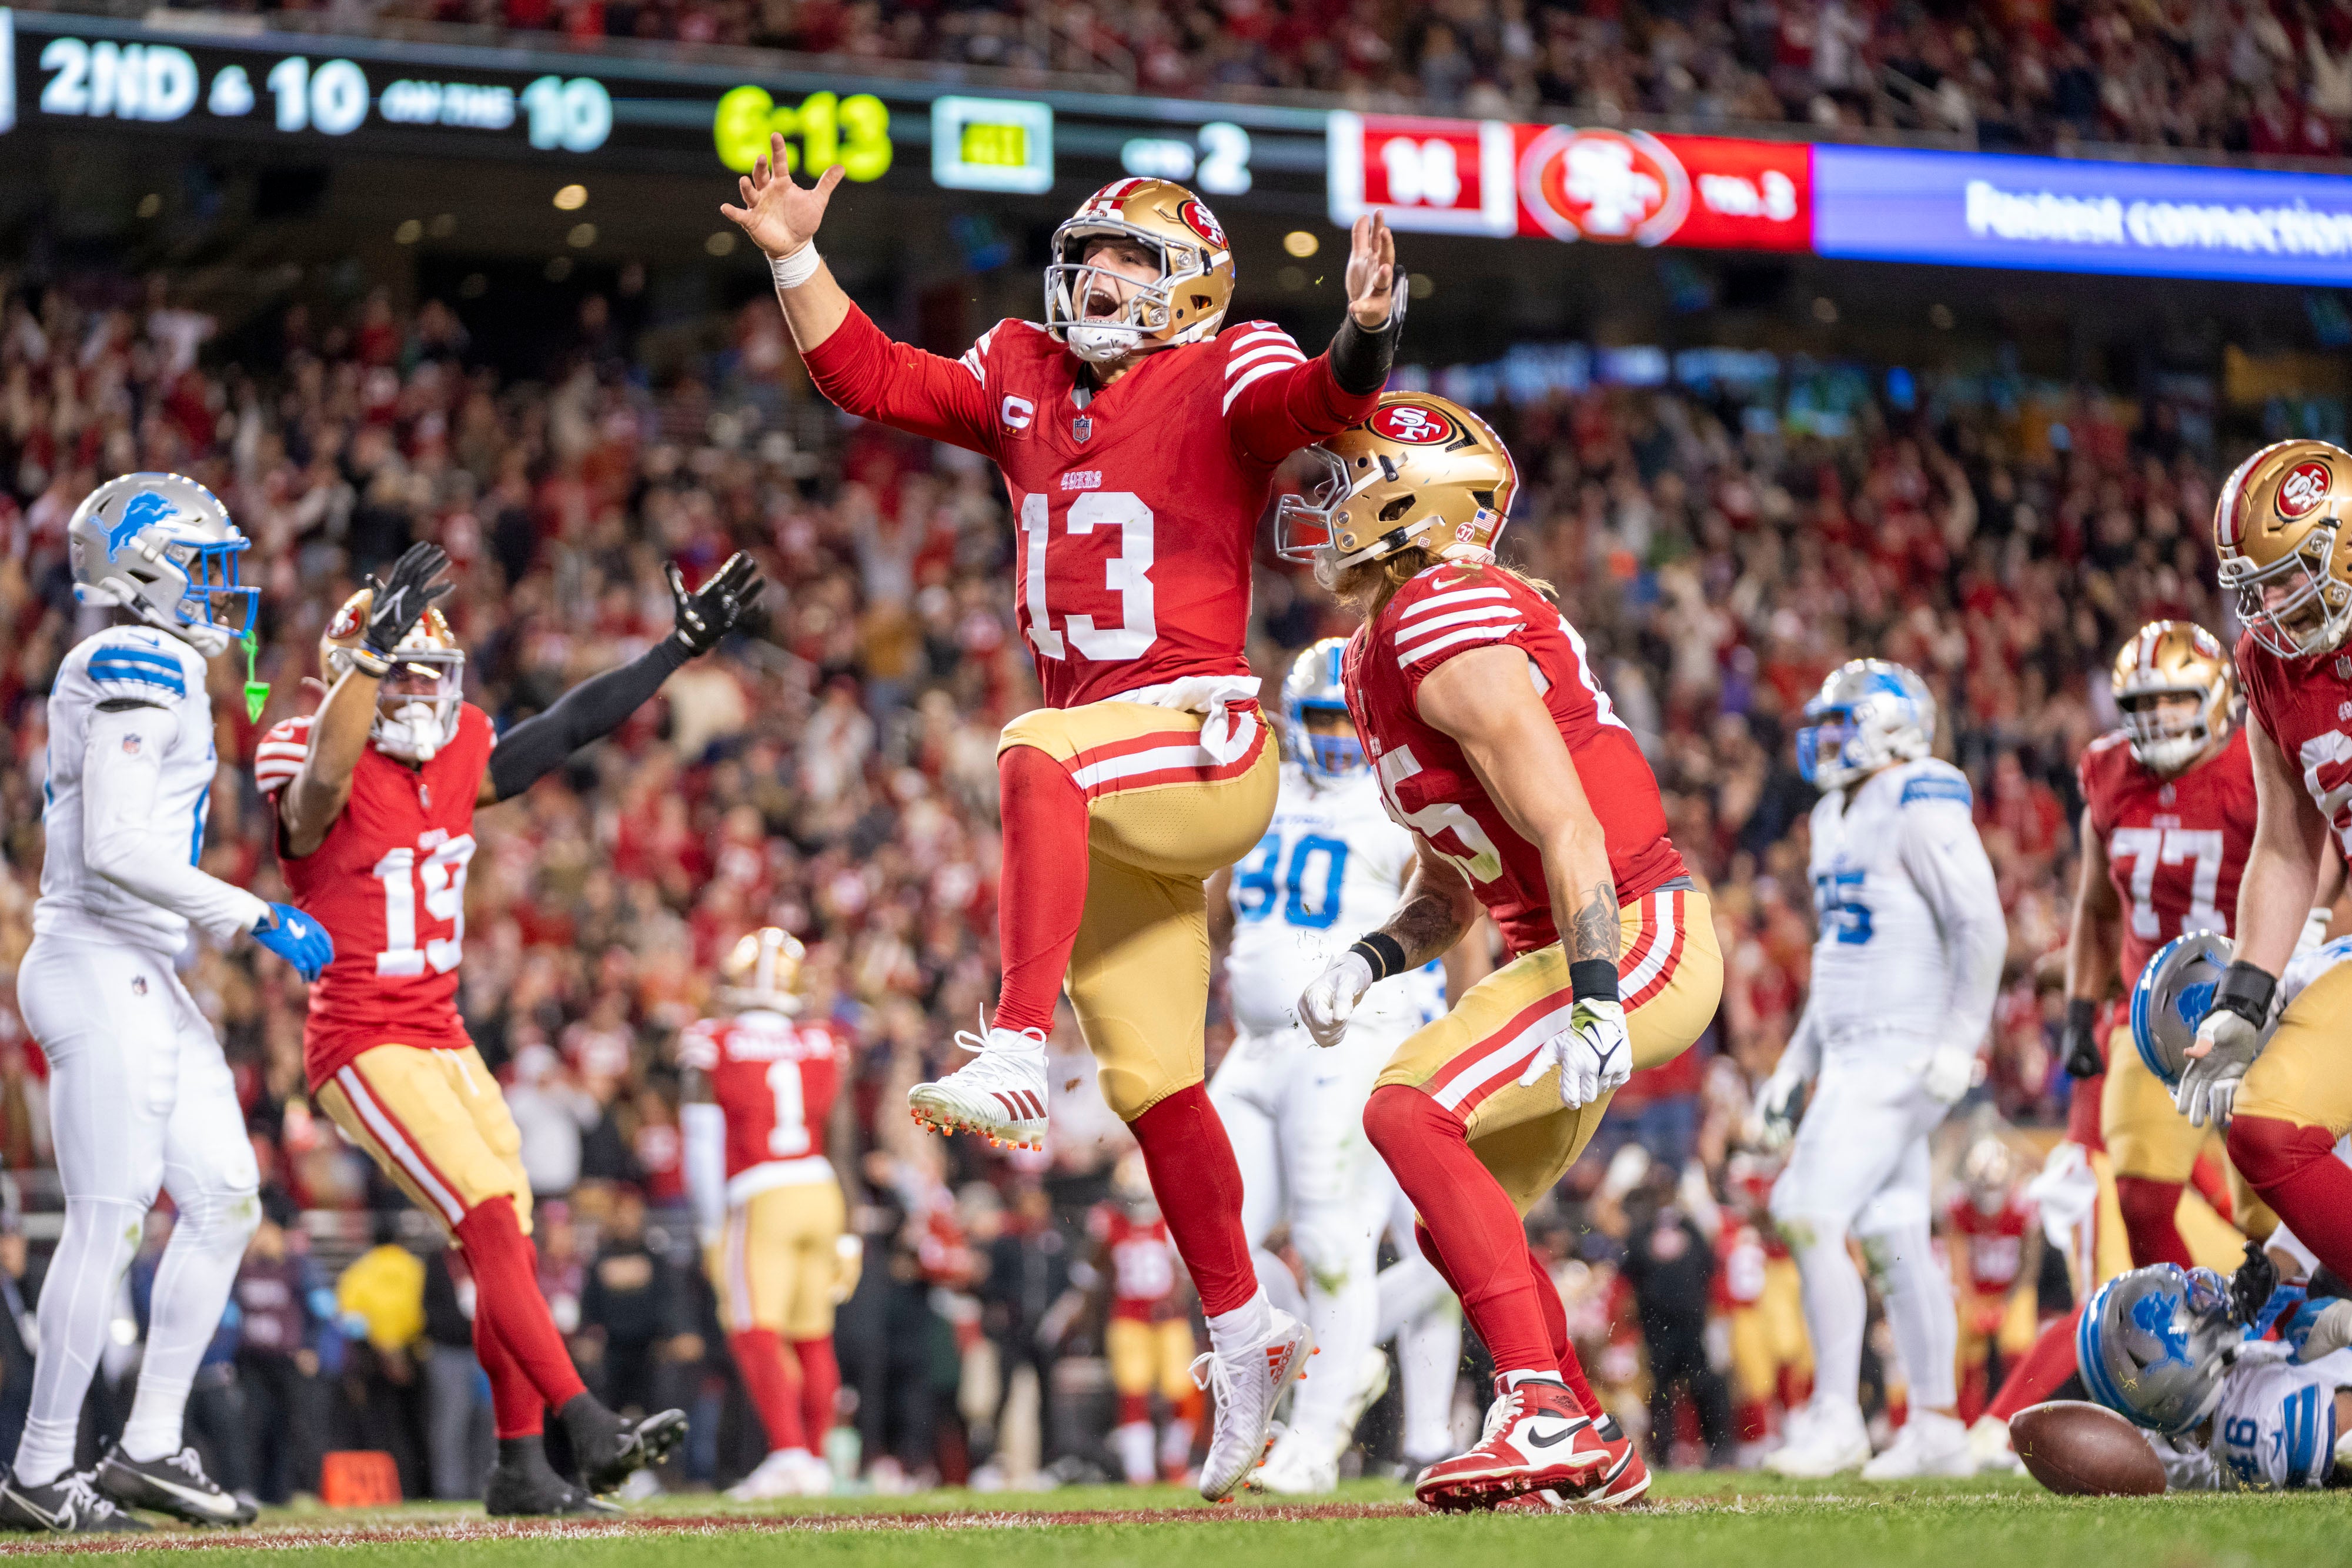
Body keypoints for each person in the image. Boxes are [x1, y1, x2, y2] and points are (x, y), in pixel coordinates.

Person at [721, 152, 1405, 1497]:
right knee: (1155, 1084)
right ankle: (1248, 1333)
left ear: (1190, 287)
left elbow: (1320, 403)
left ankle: (1016, 1045)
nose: (1097, 278)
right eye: (1087, 256)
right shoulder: (1023, 368)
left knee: (1031, 745)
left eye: (1130, 261)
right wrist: (796, 256)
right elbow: (871, 377)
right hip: (1112, 784)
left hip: (1201, 738)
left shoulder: (1224, 367)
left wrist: (1368, 331)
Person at [255, 542, 761, 1513]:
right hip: (361, 1039)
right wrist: (368, 663)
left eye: (429, 674)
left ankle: (521, 1465)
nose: (420, 693)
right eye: (399, 672)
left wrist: (671, 652)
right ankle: (586, 1421)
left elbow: (564, 727)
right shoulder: (309, 751)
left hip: (444, 1035)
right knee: (486, 1211)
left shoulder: (458, 753)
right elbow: (319, 787)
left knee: (509, 1237)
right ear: (355, 671)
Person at [1289, 393, 1722, 1511]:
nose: (1329, 501)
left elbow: (1570, 824)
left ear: (1420, 500)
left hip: (1629, 929)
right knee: (1453, 1216)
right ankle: (1585, 1438)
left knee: (1406, 1107)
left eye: (1353, 478)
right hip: (1563, 945)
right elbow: (1454, 883)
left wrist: (1597, 997)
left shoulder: (1444, 606)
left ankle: (1538, 1407)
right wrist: (1369, 957)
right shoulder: (1375, 649)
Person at [6, 473, 333, 1532]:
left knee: (229, 1193)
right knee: (108, 1217)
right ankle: (40, 1470)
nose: (222, 584)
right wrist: (253, 912)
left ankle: (147, 1446)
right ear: (146, 569)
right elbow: (113, 842)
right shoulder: (135, 657)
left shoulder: (165, 664)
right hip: (99, 955)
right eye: (202, 562)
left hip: (142, 964)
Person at [1205, 638, 1462, 1492]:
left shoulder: (1399, 803)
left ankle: (1318, 1440)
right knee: (1210, 1239)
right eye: (1323, 720)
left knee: (1333, 1237)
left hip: (1350, 1040)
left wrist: (1454, 1032)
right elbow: (1216, 917)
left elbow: (1455, 916)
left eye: (1352, 721)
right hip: (1254, 1046)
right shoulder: (1260, 792)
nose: (1342, 739)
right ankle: (1323, 1349)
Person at [1754, 658, 2006, 1480]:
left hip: (1902, 1044)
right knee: (1892, 1233)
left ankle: (1836, 1415)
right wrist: (1796, 1065)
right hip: (1852, 1043)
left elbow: (1980, 924)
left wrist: (1960, 1038)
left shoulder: (1917, 794)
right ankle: (1936, 1426)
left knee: (1806, 1209)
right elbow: (1839, 957)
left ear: (1893, 727)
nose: (1826, 742)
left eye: (1841, 725)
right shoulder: (1835, 811)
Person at [2179, 442, 2352, 1318]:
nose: (2270, 608)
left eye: (2288, 579)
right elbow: (2286, 846)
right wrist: (2243, 997)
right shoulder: (2268, 661)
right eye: (2256, 587)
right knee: (2263, 1126)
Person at [679, 930, 850, 1501]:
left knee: (753, 1329)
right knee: (813, 1334)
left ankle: (790, 1453)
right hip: (820, 1187)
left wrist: (711, 1225)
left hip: (762, 1190)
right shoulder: (821, 1040)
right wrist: (849, 1229)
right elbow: (841, 1137)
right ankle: (816, 1459)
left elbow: (701, 1138)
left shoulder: (714, 1040)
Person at [2076, 1261, 2352, 1491]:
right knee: (2333, 1272)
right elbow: (2346, 1437)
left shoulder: (2157, 1426)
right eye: (2195, 1305)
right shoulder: (2266, 1418)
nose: (2207, 1300)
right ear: (2183, 1369)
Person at [1085, 1154, 1202, 1487]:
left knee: (1183, 1392)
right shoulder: (1108, 1221)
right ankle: (1140, 1472)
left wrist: (1175, 1301)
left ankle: (1174, 1462)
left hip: (1169, 1318)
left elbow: (1184, 1272)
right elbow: (1096, 1272)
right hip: (1128, 1318)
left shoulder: (1169, 1221)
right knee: (1132, 1393)